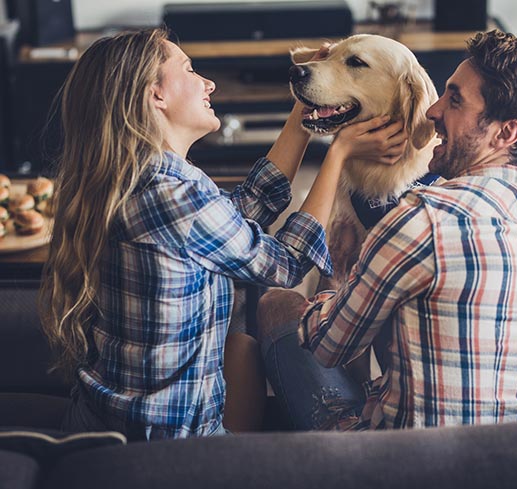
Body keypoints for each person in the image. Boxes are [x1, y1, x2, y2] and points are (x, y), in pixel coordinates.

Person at [39, 28, 408, 440]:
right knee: (263, 332)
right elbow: (283, 265)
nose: (208, 83)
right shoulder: (172, 196)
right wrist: (337, 154)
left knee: (241, 347)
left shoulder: (144, 178)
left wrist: (304, 116)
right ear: (155, 95)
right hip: (162, 442)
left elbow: (242, 211)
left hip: (103, 415)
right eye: (190, 70)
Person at [257, 29, 517, 430]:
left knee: (274, 301)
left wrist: (340, 284)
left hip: (409, 459)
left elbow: (328, 346)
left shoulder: (421, 220)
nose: (432, 111)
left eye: (455, 100)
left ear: (506, 133)